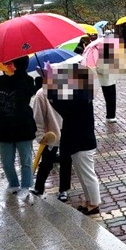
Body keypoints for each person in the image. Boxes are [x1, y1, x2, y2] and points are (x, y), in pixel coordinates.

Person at [47, 64, 100, 215]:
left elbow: (62, 107)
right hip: (78, 141)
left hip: (82, 142)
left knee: (88, 175)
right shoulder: (81, 93)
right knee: (83, 175)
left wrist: (51, 91)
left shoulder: (80, 96)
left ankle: (94, 204)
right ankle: (89, 201)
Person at [0, 57, 36, 194]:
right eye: (5, 63)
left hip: (23, 127)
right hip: (4, 129)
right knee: (7, 161)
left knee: (25, 160)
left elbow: (27, 93)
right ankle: (13, 183)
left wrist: (17, 73)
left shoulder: (26, 80)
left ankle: (26, 185)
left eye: (10, 62)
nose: (6, 65)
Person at [31, 72, 72, 202]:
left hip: (67, 133)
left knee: (66, 161)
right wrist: (41, 135)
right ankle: (39, 187)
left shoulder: (68, 89)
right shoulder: (41, 94)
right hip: (51, 135)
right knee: (46, 162)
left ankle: (63, 190)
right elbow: (38, 118)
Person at [96, 40, 120, 123]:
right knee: (109, 99)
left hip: (112, 80)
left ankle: (112, 115)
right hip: (106, 82)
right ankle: (109, 116)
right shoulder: (101, 58)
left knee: (113, 99)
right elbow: (99, 69)